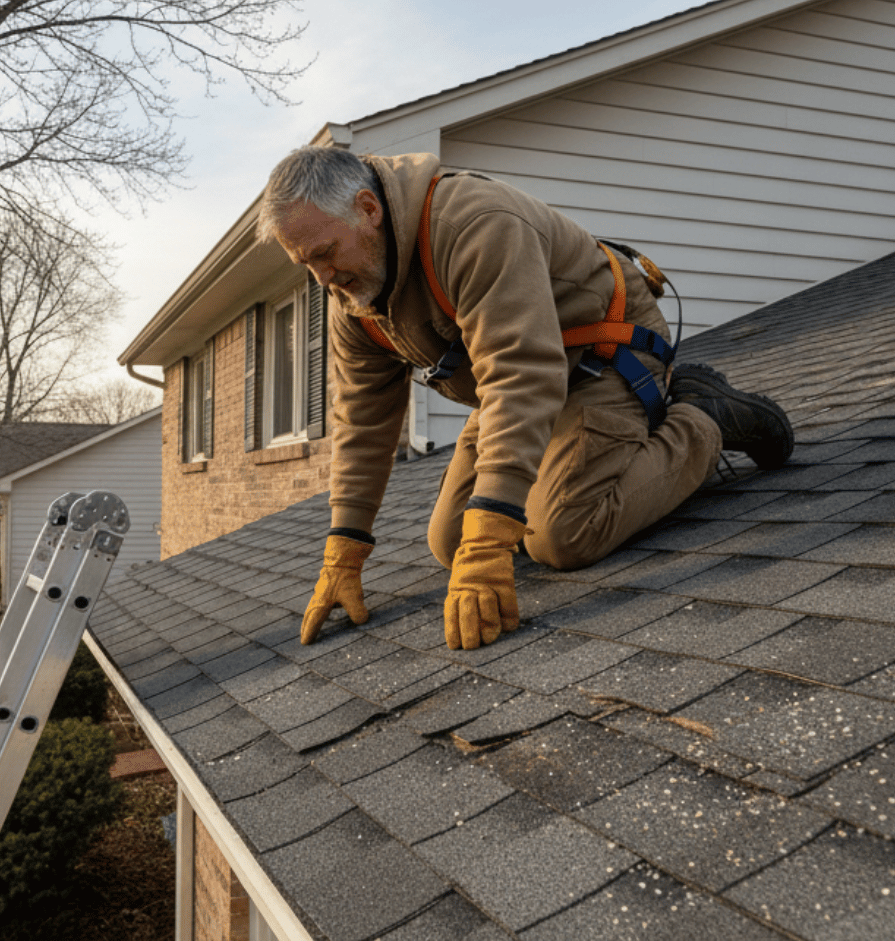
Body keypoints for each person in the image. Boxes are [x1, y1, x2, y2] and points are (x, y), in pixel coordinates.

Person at [256, 146, 793, 651]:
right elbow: (362, 424)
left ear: (367, 209)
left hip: (604, 355)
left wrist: (491, 547)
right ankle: (573, 461)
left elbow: (519, 372)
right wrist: (344, 549)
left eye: (325, 253)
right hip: (520, 384)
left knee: (563, 534)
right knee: (450, 543)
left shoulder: (470, 223)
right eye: (305, 265)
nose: (322, 278)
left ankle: (704, 417)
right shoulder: (354, 298)